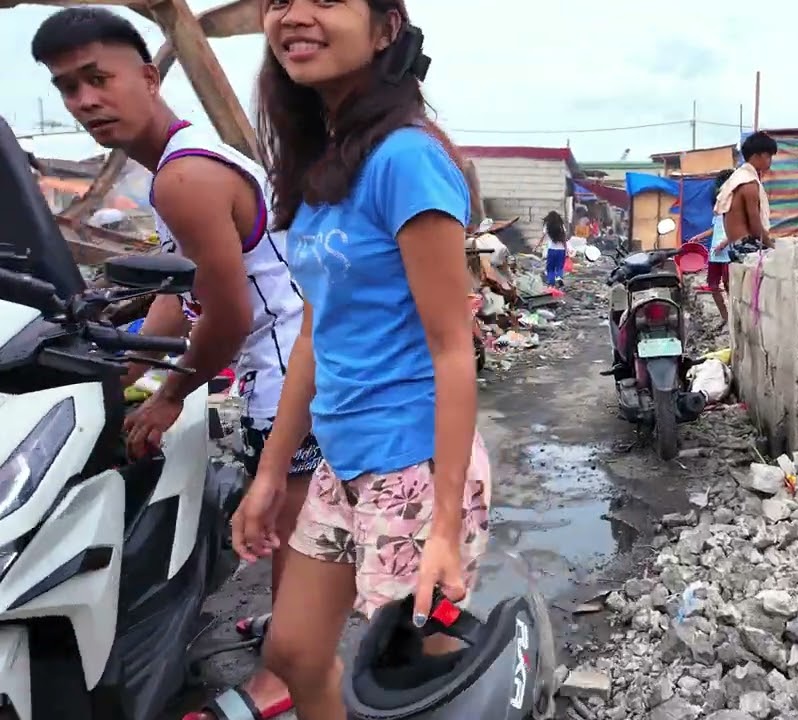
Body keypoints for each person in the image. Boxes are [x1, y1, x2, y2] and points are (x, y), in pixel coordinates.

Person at [30, 10, 320, 719]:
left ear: (149, 76)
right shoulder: (182, 160)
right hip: (283, 358)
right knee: (291, 512)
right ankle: (294, 634)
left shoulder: (182, 179)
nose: (84, 102)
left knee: (288, 517)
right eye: (67, 88)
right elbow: (180, 288)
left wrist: (169, 394)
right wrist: (129, 372)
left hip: (288, 367)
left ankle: (286, 674)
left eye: (97, 79)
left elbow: (229, 318)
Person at [233, 0, 491, 717]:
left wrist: (443, 526)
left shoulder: (407, 159)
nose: (295, 15)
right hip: (340, 464)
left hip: (412, 462)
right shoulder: (326, 166)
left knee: (412, 685)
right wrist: (269, 472)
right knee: (294, 654)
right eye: (280, 1)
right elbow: (315, 336)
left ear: (385, 29)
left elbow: (452, 348)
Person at [717, 131, 777, 254]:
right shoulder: (749, 183)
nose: (770, 160)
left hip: (736, 246)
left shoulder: (737, 178)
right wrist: (772, 247)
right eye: (768, 156)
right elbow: (755, 228)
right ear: (756, 156)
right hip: (746, 247)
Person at [705, 168, 737, 327]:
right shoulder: (718, 212)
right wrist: (700, 236)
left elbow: (738, 229)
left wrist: (724, 243)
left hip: (727, 251)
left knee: (728, 283)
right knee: (712, 285)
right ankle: (725, 316)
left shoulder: (734, 210)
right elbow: (715, 228)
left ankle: (734, 315)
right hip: (715, 251)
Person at [543, 210, 568, 286]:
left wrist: (537, 246)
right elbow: (564, 238)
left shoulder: (547, 225)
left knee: (550, 268)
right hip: (561, 250)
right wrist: (566, 249)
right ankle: (559, 278)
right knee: (560, 267)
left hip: (551, 250)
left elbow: (543, 236)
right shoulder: (561, 225)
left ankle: (551, 283)